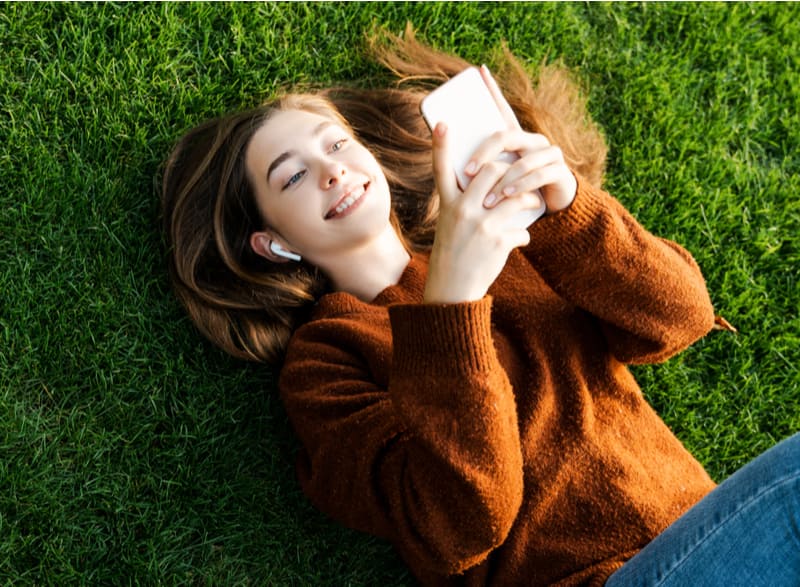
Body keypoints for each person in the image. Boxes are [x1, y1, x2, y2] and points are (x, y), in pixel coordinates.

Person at [161, 25, 799, 587]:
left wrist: (566, 206)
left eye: (334, 144)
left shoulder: (514, 247)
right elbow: (462, 521)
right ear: (273, 243)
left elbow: (680, 319)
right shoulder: (324, 363)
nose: (329, 171)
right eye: (292, 176)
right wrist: (452, 304)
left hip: (706, 538)